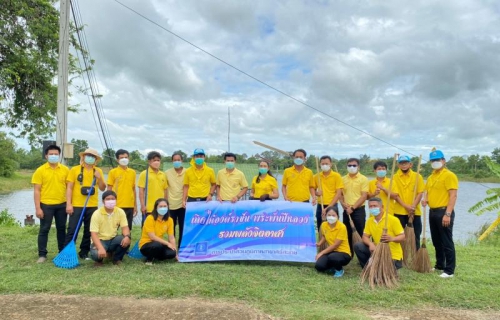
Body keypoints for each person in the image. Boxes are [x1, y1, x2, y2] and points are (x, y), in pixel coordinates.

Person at [422, 149, 458, 278]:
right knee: (437, 241)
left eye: (437, 160)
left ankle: (449, 270)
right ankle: (440, 265)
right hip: (433, 211)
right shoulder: (431, 176)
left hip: (444, 211)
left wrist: (447, 214)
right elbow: (427, 192)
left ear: (443, 160)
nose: (435, 162)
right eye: (433, 160)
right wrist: (425, 199)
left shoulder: (449, 175)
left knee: (446, 241)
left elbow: (453, 196)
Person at [65, 148, 106, 260]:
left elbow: (103, 188)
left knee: (89, 230)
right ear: (83, 157)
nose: (90, 158)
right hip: (77, 205)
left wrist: (99, 178)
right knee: (72, 229)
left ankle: (84, 252)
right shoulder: (74, 170)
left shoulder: (98, 171)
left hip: (92, 205)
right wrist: (69, 204)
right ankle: (67, 252)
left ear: (96, 160)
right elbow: (69, 187)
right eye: (88, 155)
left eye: (93, 157)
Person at [32, 145, 70, 263]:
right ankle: (42, 254)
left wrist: (69, 204)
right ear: (46, 156)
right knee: (44, 229)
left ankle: (62, 252)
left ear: (59, 155)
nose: (53, 156)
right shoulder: (40, 170)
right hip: (46, 205)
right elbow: (37, 190)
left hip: (62, 204)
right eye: (51, 154)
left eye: (56, 154)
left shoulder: (65, 170)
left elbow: (69, 188)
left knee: (61, 229)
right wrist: (38, 208)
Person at [354, 197, 405, 269]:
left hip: (392, 254)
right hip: (377, 250)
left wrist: (392, 238)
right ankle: (367, 269)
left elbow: (402, 237)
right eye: (370, 206)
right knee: (358, 246)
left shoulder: (393, 220)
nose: (372, 208)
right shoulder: (369, 221)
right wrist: (370, 244)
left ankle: (377, 267)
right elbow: (365, 237)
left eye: (375, 206)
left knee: (384, 272)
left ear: (382, 207)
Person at [90, 190, 131, 266]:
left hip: (113, 239)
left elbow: (125, 228)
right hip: (100, 240)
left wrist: (127, 236)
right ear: (103, 201)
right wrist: (100, 248)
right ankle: (99, 261)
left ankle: (116, 259)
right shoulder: (96, 214)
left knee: (126, 240)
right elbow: (94, 234)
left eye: (112, 199)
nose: (110, 201)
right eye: (108, 199)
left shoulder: (120, 211)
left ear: (116, 200)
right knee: (95, 254)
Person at [393, 155, 425, 250]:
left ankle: (416, 257)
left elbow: (420, 193)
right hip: (399, 211)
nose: (404, 165)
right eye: (401, 163)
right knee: (399, 234)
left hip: (415, 211)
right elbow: (395, 195)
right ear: (398, 165)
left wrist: (413, 206)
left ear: (410, 164)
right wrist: (405, 206)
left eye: (406, 163)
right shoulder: (394, 177)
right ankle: (400, 257)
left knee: (416, 235)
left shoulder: (417, 176)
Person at [341, 158, 369, 255]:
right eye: (349, 165)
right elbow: (340, 194)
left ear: (358, 167)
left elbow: (364, 196)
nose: (352, 167)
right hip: (346, 209)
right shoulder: (343, 179)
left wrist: (353, 208)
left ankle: (363, 253)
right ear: (347, 166)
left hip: (358, 210)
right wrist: (342, 203)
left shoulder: (363, 179)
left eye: (354, 165)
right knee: (346, 231)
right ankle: (349, 253)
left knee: (361, 231)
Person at [315, 207, 351, 278]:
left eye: (333, 215)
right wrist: (319, 243)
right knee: (319, 266)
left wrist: (321, 252)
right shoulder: (324, 225)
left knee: (332, 257)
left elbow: (335, 245)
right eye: (329, 215)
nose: (331, 217)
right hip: (332, 251)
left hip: (343, 253)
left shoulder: (342, 227)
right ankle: (333, 266)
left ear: (338, 216)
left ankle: (339, 270)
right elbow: (325, 236)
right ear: (326, 216)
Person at [139, 198, 177, 265]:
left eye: (165, 206)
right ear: (156, 208)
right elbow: (152, 237)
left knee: (172, 253)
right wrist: (167, 243)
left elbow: (171, 237)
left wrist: (175, 252)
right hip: (146, 245)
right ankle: (149, 260)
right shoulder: (150, 218)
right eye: (160, 206)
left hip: (159, 244)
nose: (163, 208)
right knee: (156, 245)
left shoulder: (170, 220)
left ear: (168, 207)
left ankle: (156, 257)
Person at [107, 149, 137, 230]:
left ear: (129, 158)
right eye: (121, 158)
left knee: (127, 229)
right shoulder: (113, 172)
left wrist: (135, 206)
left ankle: (127, 242)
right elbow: (109, 189)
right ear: (117, 160)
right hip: (116, 205)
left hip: (129, 205)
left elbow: (133, 189)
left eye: (126, 157)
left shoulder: (132, 172)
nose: (124, 159)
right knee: (113, 229)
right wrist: (109, 204)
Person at [313, 155, 344, 232]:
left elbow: (338, 193)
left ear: (331, 164)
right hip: (321, 205)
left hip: (333, 205)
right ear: (320, 165)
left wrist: (328, 207)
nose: (324, 165)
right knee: (320, 225)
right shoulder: (317, 176)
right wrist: (316, 193)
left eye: (326, 163)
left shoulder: (337, 176)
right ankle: (322, 243)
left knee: (333, 226)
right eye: (323, 164)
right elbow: (312, 189)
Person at [138, 151, 168, 223]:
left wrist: (166, 204)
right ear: (149, 162)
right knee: (146, 229)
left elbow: (165, 190)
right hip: (148, 208)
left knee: (159, 228)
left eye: (158, 160)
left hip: (161, 208)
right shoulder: (144, 174)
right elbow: (141, 191)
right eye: (154, 160)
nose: (156, 162)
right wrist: (142, 205)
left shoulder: (163, 174)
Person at [165, 152, 186, 248]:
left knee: (183, 227)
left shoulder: (188, 172)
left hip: (183, 205)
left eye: (179, 160)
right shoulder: (167, 173)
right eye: (175, 160)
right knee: (171, 227)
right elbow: (165, 189)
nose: (177, 161)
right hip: (171, 204)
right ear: (172, 161)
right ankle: (171, 247)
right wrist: (165, 203)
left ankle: (181, 247)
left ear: (182, 160)